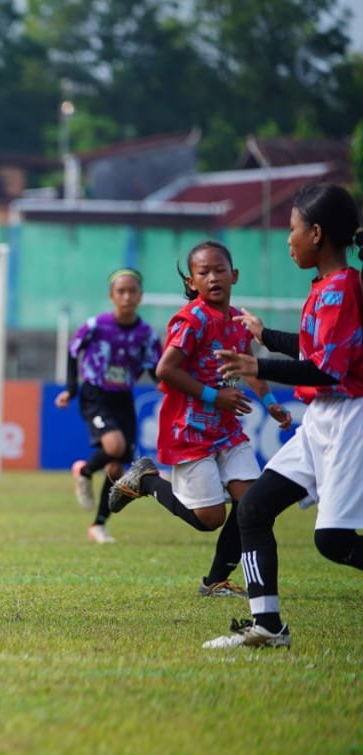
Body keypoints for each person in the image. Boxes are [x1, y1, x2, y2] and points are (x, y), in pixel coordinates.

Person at [203, 183, 363, 648]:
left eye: (292, 229)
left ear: (316, 233)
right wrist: (265, 335)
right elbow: (319, 349)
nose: (287, 238)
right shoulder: (330, 287)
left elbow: (326, 369)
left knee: (332, 542)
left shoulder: (342, 290)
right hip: (321, 420)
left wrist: (255, 364)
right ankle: (267, 626)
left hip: (349, 418)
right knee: (253, 508)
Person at [106, 241, 291, 596]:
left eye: (220, 270)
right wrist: (215, 396)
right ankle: (146, 480)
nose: (213, 278)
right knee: (210, 520)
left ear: (234, 275)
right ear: (192, 283)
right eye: (203, 273)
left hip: (226, 430)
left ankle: (216, 581)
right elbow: (165, 370)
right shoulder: (191, 320)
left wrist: (269, 401)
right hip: (188, 429)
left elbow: (247, 364)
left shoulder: (237, 321)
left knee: (251, 504)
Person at [54, 268, 160, 544]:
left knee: (116, 469)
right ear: (111, 296)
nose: (127, 296)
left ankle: (98, 525)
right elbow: (72, 350)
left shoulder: (147, 334)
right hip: (95, 394)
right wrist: (71, 388)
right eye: (121, 291)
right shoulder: (96, 326)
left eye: (132, 291)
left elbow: (157, 370)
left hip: (123, 398)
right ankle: (85, 471)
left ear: (140, 295)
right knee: (115, 447)